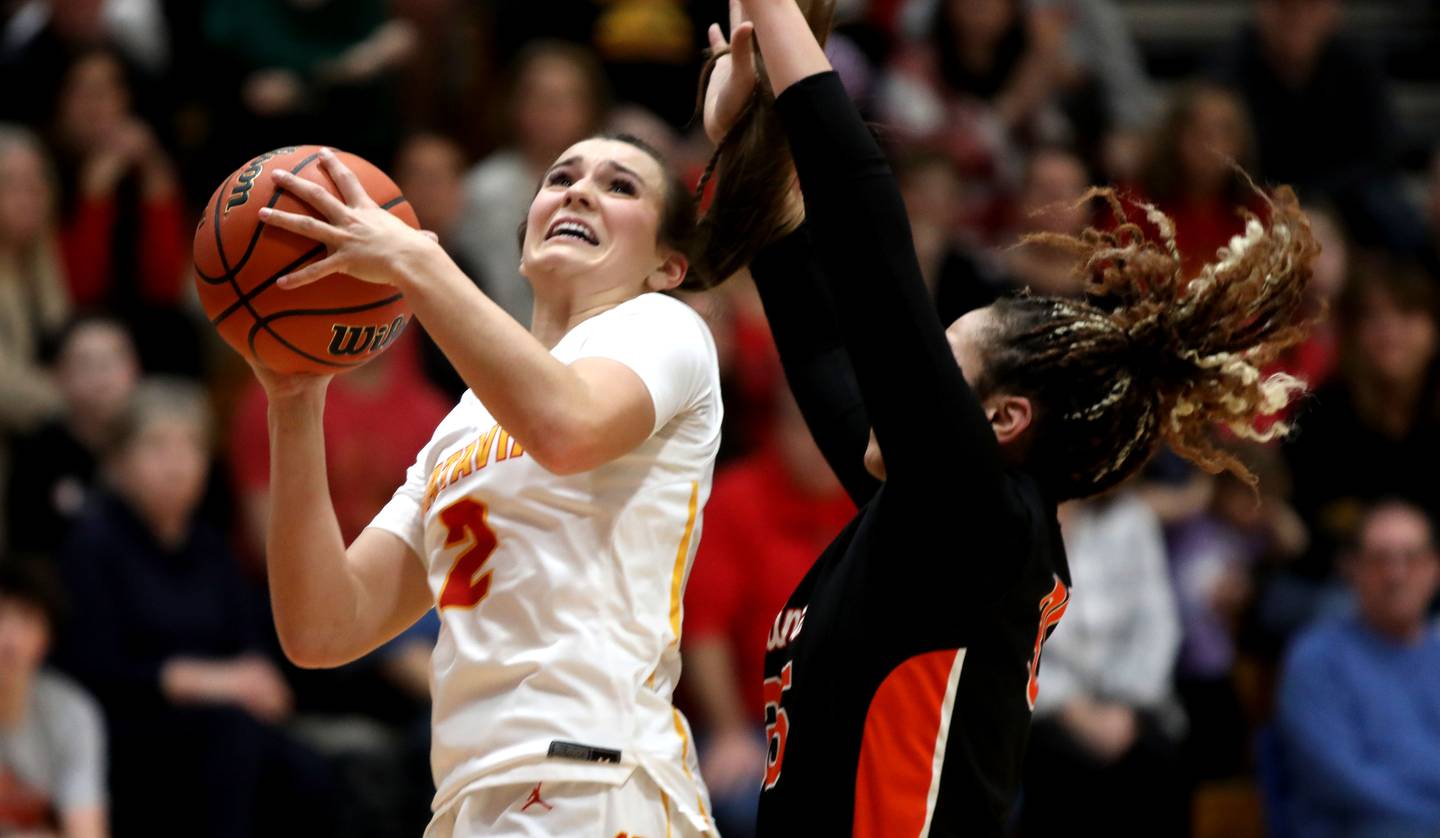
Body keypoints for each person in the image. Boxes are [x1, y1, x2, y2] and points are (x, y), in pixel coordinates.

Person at [699, 0, 1316, 832]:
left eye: (939, 368)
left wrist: (780, 21)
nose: (905, 382)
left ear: (1002, 418)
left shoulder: (980, 522)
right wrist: (748, 136)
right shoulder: (935, 528)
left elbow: (869, 247)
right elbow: (818, 344)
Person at [253, 126, 722, 834]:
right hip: (471, 798)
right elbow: (324, 626)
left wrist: (418, 262)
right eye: (561, 178)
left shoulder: (665, 328)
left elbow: (568, 429)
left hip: (593, 777)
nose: (581, 191)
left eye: (619, 186)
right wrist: (294, 403)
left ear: (666, 266)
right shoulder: (466, 421)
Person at [51, 379, 336, 838]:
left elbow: (247, 644)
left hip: (221, 719)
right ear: (119, 461)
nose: (177, 464)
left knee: (308, 769)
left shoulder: (209, 547)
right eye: (157, 447)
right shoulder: (93, 540)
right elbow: (94, 668)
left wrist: (260, 679)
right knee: (232, 743)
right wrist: (209, 682)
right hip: (125, 726)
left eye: (190, 448)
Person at [682, 393, 853, 838]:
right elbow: (703, 630)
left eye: (829, 431)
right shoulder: (735, 500)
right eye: (804, 429)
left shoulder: (874, 501)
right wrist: (728, 730)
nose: (817, 445)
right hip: (756, 732)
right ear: (779, 429)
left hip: (857, 734)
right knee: (750, 807)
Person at [1023, 492, 1186, 835]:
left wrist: (1124, 705)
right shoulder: (1013, 526)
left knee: (1156, 761)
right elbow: (1012, 646)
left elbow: (1158, 625)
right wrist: (1072, 709)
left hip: (1132, 707)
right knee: (1060, 770)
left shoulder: (1133, 519)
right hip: (1047, 714)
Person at [1276, 500, 1440, 836]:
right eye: (1380, 560)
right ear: (1353, 569)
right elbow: (1342, 783)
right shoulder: (1316, 659)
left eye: (1411, 557)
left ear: (1434, 568)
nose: (1396, 575)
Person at [453, 42, 609, 326]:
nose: (551, 112)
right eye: (539, 97)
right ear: (515, 105)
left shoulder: (611, 187)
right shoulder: (483, 188)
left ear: (590, 109)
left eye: (564, 99)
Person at [6, 316, 139, 557]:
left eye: (111, 361)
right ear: (58, 376)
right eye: (85, 364)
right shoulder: (37, 456)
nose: (101, 377)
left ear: (135, 369)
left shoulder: (156, 444)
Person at [0, 561, 107, 838]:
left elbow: (86, 829)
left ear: (46, 640)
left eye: (25, 619)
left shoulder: (73, 714)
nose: (8, 639)